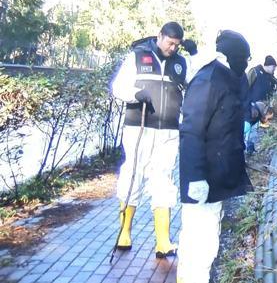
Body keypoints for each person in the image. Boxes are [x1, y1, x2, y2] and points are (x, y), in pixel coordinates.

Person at [177, 30, 267, 283]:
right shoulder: (209, 80)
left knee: (209, 238)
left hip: (218, 175)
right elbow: (191, 131)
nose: (247, 64)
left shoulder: (228, 77)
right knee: (197, 241)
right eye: (245, 58)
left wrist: (253, 111)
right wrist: (195, 177)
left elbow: (228, 114)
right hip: (203, 176)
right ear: (233, 56)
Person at [110, 21, 196, 258]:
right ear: (160, 36)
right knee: (133, 175)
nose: (173, 49)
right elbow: (118, 88)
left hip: (168, 131)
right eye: (170, 43)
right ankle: (124, 232)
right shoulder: (137, 57)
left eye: (177, 45)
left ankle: (163, 241)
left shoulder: (181, 62)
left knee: (164, 181)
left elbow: (196, 83)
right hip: (139, 127)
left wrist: (194, 52)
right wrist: (136, 94)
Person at [243, 55, 277, 153]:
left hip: (262, 111)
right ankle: (246, 149)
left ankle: (251, 149)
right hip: (252, 108)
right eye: (273, 67)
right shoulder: (255, 71)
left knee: (254, 132)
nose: (274, 69)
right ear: (268, 66)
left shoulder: (270, 76)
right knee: (247, 129)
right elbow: (245, 86)